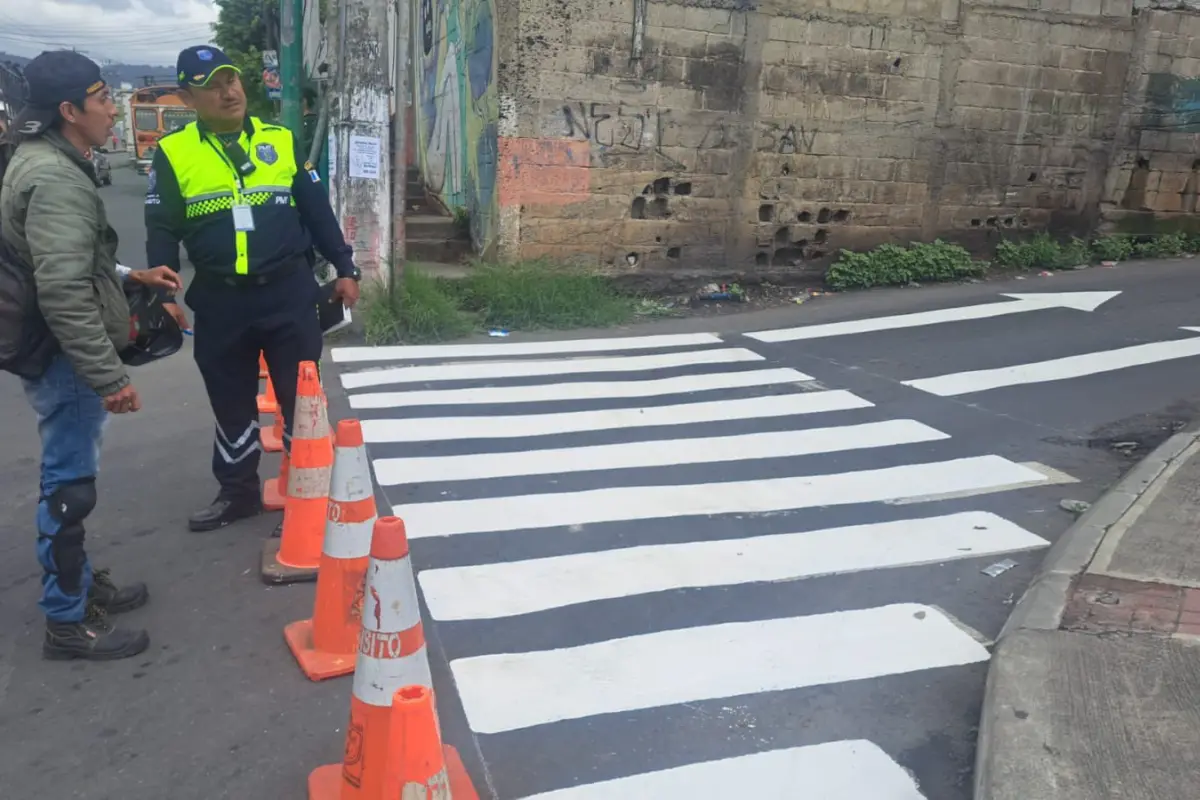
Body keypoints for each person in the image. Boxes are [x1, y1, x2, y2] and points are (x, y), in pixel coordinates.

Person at [0, 50, 185, 660]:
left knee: (71, 477)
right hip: (66, 355)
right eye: (103, 99)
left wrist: (133, 273)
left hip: (56, 348)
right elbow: (62, 288)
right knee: (69, 485)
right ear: (67, 111)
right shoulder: (53, 178)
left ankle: (76, 585)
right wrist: (108, 377)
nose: (113, 110)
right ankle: (66, 620)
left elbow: (66, 259)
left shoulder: (45, 161)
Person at [145, 45, 361, 533]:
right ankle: (237, 493)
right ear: (187, 97)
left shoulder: (280, 141)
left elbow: (316, 211)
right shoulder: (174, 152)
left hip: (288, 293)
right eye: (213, 85)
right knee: (230, 400)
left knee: (301, 399)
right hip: (221, 299)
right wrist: (164, 292)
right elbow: (161, 228)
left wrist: (345, 267)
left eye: (232, 80)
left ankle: (310, 498)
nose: (229, 92)